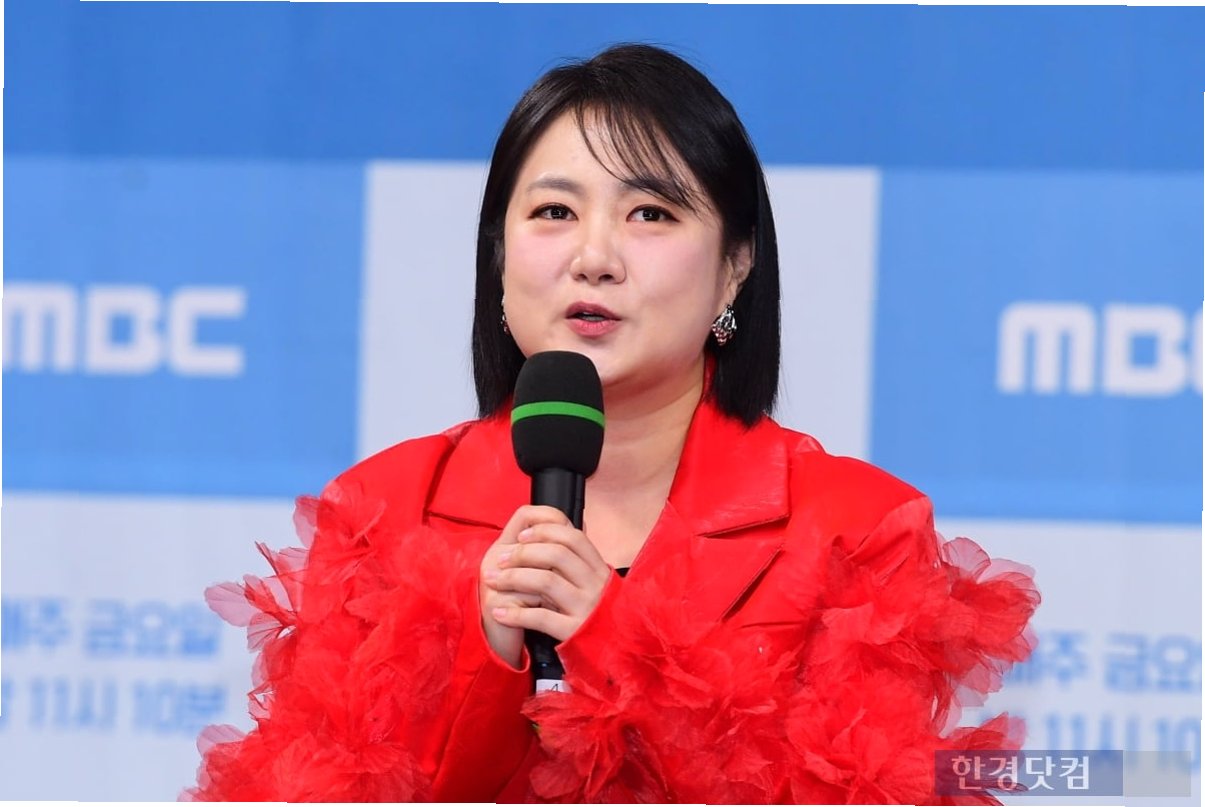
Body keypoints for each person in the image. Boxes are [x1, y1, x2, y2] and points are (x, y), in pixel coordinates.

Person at [184, 43, 1039, 804]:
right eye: (553, 212)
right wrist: (487, 654)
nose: (592, 256)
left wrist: (612, 640)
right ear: (499, 255)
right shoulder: (383, 508)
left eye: (650, 214)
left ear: (735, 266)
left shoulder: (859, 530)